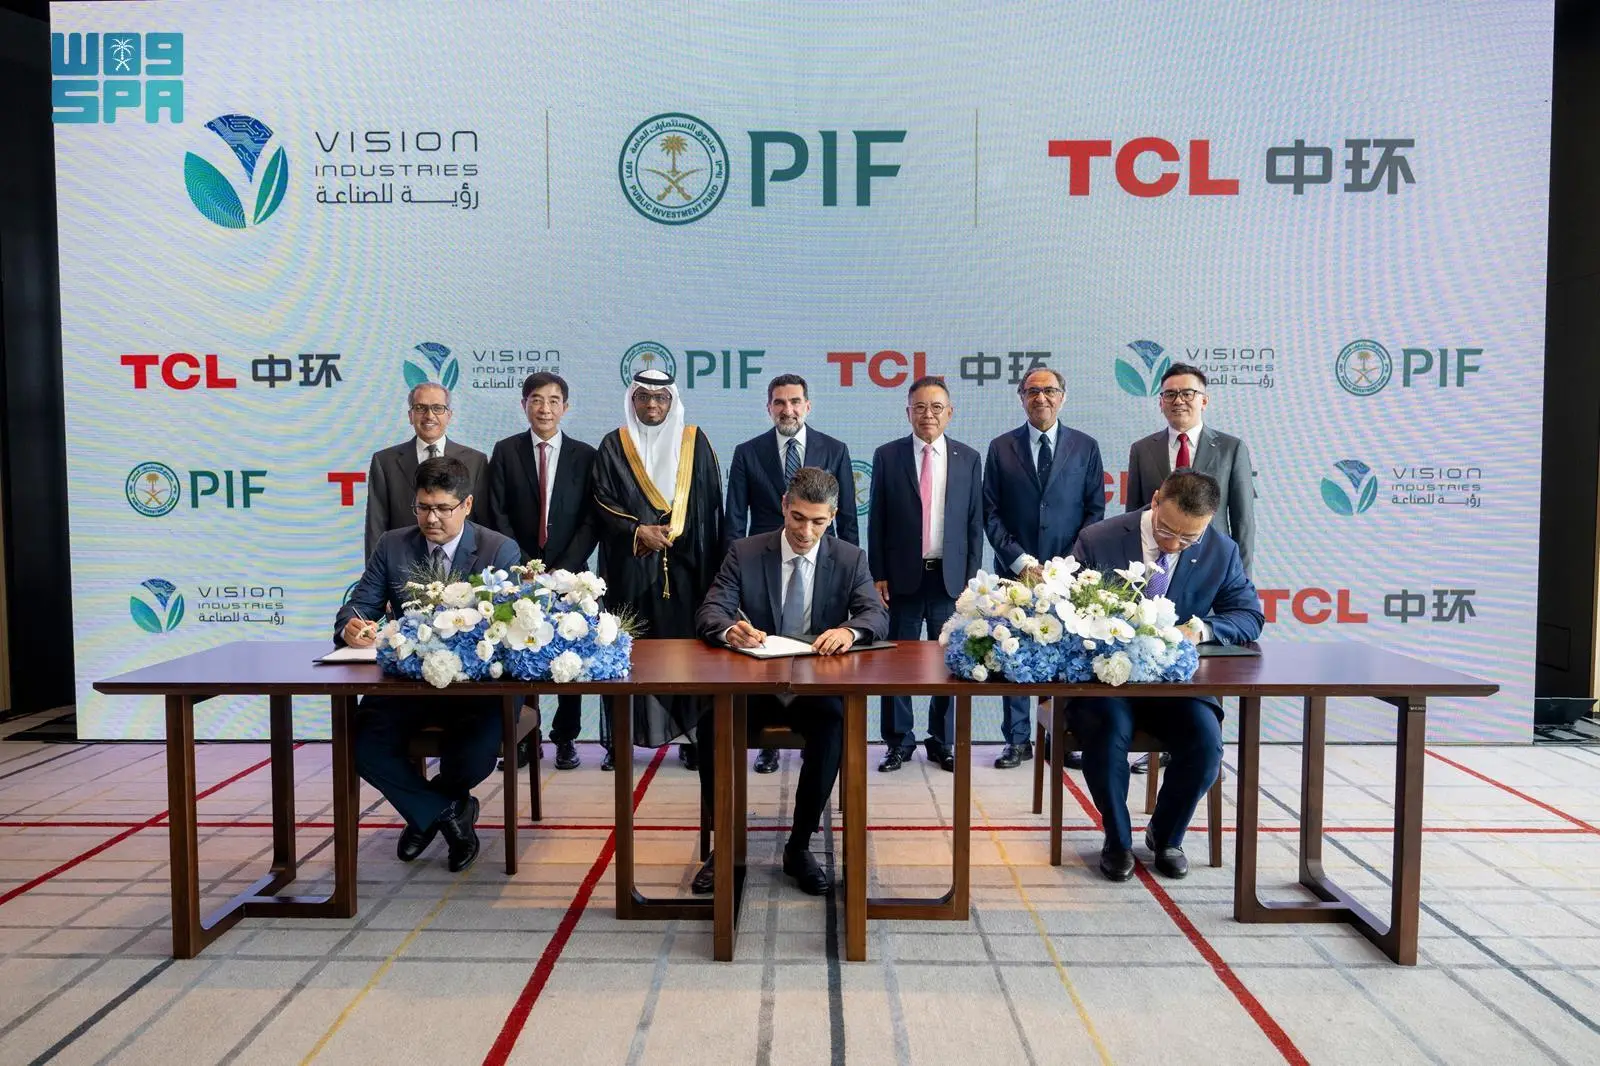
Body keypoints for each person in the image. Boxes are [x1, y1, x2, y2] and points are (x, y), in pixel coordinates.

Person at [693, 467, 889, 895]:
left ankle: (799, 848)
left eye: (818, 521)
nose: (805, 531)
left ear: (833, 516)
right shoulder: (745, 552)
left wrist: (850, 632)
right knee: (711, 727)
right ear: (784, 506)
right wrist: (729, 630)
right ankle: (726, 846)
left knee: (835, 727)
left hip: (815, 689)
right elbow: (711, 610)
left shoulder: (850, 558)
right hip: (753, 685)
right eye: (798, 518)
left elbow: (875, 614)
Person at [1065, 468, 1264, 882]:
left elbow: (1249, 616)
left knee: (1206, 745)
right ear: (1155, 501)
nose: (1173, 544)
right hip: (1108, 684)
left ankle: (1167, 835)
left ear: (1207, 523)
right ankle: (1117, 840)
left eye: (1188, 539)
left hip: (1177, 686)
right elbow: (1064, 609)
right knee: (1107, 733)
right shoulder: (1099, 539)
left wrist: (1203, 629)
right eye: (1166, 531)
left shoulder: (1221, 551)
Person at [336, 456, 521, 873]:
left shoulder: (498, 549)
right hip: (408, 684)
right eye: (423, 507)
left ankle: (428, 810)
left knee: (473, 757)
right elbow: (360, 605)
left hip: (477, 690)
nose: (431, 518)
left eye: (442, 508)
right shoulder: (393, 545)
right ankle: (448, 812)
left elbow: (505, 631)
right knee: (360, 744)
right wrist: (351, 625)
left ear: (467, 505)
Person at [724, 372, 859, 775]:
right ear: (769, 408)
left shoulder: (835, 449)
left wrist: (855, 565)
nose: (788, 409)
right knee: (766, 656)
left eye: (795, 401)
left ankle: (815, 739)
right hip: (764, 571)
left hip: (818, 568)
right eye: (780, 402)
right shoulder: (747, 452)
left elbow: (848, 520)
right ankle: (767, 746)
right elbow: (734, 519)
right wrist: (731, 571)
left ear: (807, 406)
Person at [592, 368, 724, 769]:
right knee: (625, 653)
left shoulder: (694, 441)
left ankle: (694, 737)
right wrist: (638, 531)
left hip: (686, 572)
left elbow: (710, 505)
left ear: (672, 400)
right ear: (632, 400)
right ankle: (621, 742)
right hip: (630, 570)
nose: (652, 405)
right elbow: (601, 500)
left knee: (688, 656)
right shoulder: (614, 444)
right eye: (644, 397)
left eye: (661, 397)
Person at [982, 367, 1105, 768]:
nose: (1041, 398)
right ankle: (1017, 741)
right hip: (1014, 572)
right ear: (1021, 398)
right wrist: (1021, 560)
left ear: (1062, 397)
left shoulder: (1085, 446)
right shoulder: (1001, 447)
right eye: (1032, 391)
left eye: (1049, 391)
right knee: (1013, 650)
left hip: (1069, 573)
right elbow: (990, 512)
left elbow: (1095, 511)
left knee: (1067, 654)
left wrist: (1065, 565)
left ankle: (1061, 738)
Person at [869, 376, 982, 773]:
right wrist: (878, 572)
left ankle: (942, 741)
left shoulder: (968, 458)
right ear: (908, 413)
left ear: (950, 413)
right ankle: (898, 742)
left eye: (936, 407)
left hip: (949, 579)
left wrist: (970, 579)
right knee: (895, 661)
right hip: (901, 577)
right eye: (919, 407)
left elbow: (973, 523)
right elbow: (877, 519)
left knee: (949, 662)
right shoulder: (888, 455)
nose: (928, 414)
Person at [486, 371, 597, 771]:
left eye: (553, 401)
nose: (544, 408)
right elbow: (496, 511)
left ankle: (566, 738)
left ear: (565, 407)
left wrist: (561, 570)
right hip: (518, 574)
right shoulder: (505, 451)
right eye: (536, 400)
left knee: (570, 654)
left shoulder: (585, 455)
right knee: (518, 653)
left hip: (571, 576)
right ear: (524, 405)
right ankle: (521, 739)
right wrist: (521, 565)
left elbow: (591, 518)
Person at [1125, 363, 1255, 573]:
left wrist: (1243, 578)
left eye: (1187, 393)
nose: (1178, 401)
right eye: (1170, 394)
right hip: (1155, 561)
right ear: (1161, 402)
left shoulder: (1231, 449)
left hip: (1210, 561)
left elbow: (1243, 522)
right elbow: (1133, 515)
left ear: (1204, 401)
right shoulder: (1142, 449)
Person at [365, 382, 488, 558]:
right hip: (402, 561)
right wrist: (376, 568)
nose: (429, 415)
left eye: (438, 408)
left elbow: (483, 523)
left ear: (449, 415)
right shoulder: (385, 461)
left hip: (461, 564)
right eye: (420, 408)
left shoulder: (475, 461)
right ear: (410, 415)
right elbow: (376, 525)